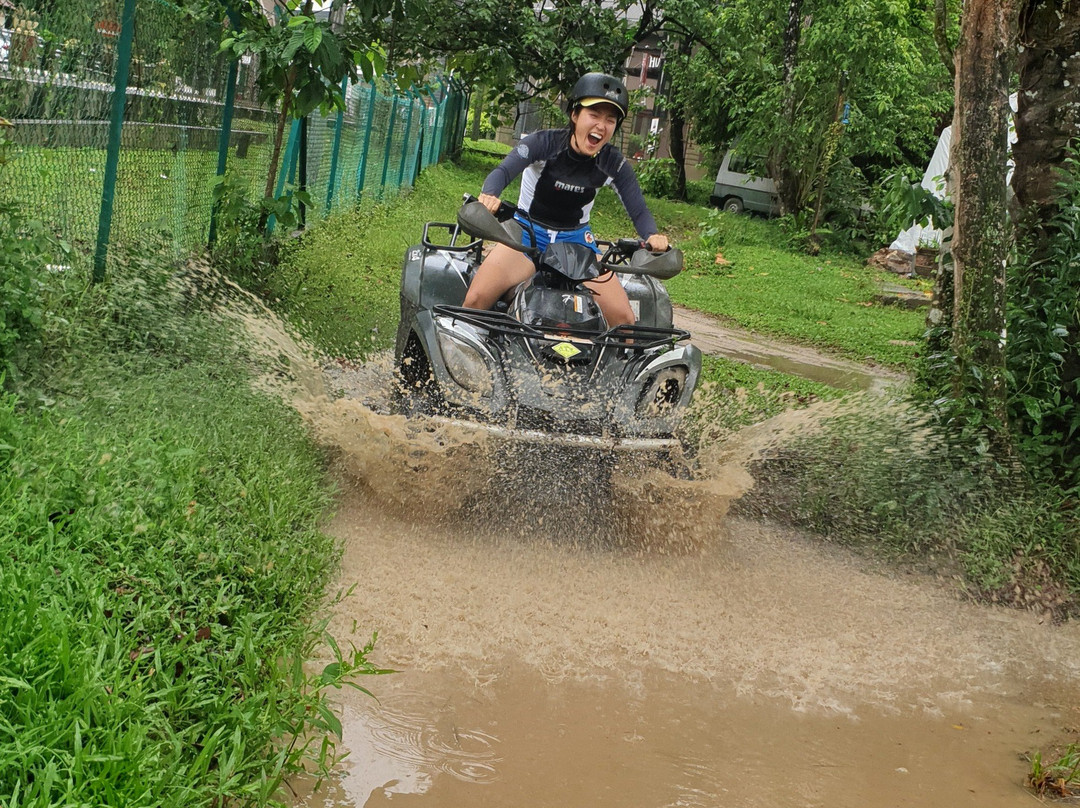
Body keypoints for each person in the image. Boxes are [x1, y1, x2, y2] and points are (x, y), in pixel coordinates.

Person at [462, 72, 670, 327]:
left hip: (577, 244)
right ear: (574, 115)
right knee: (475, 299)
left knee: (624, 319)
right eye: (594, 115)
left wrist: (652, 236)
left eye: (610, 120)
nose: (601, 126)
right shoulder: (543, 143)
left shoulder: (613, 163)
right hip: (526, 236)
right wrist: (489, 196)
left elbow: (638, 210)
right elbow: (503, 172)